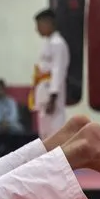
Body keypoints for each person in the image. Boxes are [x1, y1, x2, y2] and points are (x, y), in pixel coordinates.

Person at [29, 9, 70, 139]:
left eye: (39, 25)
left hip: (52, 96)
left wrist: (53, 97)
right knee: (44, 134)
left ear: (49, 23)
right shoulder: (47, 43)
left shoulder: (58, 43)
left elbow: (58, 71)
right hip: (43, 92)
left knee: (55, 132)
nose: (37, 29)